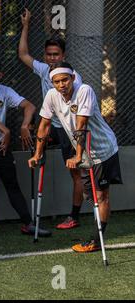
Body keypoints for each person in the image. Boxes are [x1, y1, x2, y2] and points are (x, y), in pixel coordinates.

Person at [29, 62, 122, 252]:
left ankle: (96, 241)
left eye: (65, 80)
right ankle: (96, 234)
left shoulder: (84, 90)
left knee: (101, 195)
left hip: (103, 149)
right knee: (92, 195)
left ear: (72, 78)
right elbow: (44, 125)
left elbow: (81, 125)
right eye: (56, 82)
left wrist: (78, 155)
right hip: (85, 151)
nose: (61, 84)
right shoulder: (51, 95)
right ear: (52, 83)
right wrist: (37, 154)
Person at [0, 57, 51, 237]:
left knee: (12, 183)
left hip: (0, 146)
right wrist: (6, 131)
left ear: (0, 75)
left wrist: (24, 126)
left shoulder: (5, 91)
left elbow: (30, 106)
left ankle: (28, 223)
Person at [19, 8, 84, 230]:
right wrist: (26, 25)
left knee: (76, 172)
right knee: (34, 150)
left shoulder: (73, 77)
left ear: (63, 56)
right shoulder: (43, 69)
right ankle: (31, 218)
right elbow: (23, 55)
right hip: (49, 125)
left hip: (68, 128)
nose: (52, 58)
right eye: (49, 54)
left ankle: (73, 216)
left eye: (56, 54)